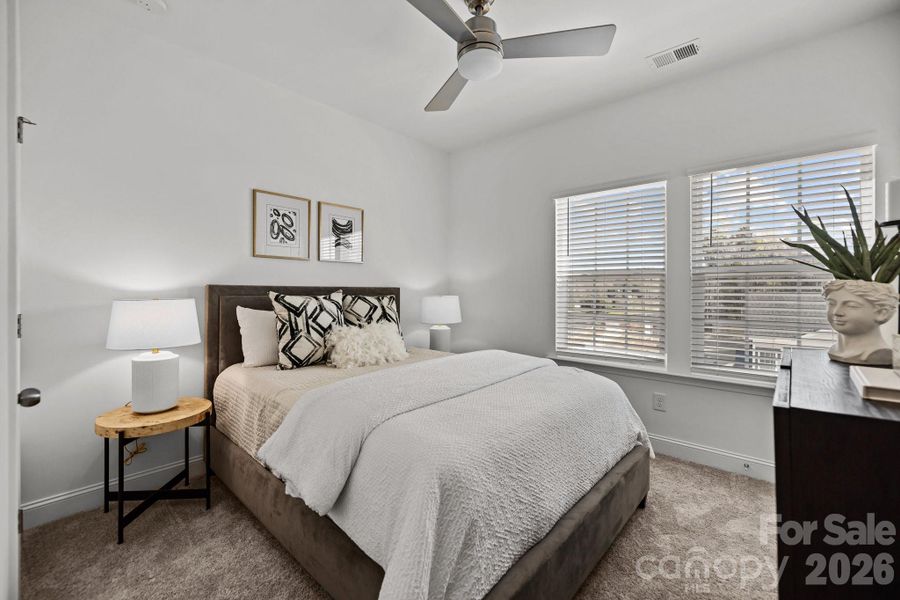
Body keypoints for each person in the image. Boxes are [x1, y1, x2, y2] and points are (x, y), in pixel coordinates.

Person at [823, 280, 898, 365]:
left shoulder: (882, 354)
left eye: (851, 306)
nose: (836, 312)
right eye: (831, 304)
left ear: (882, 313)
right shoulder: (834, 350)